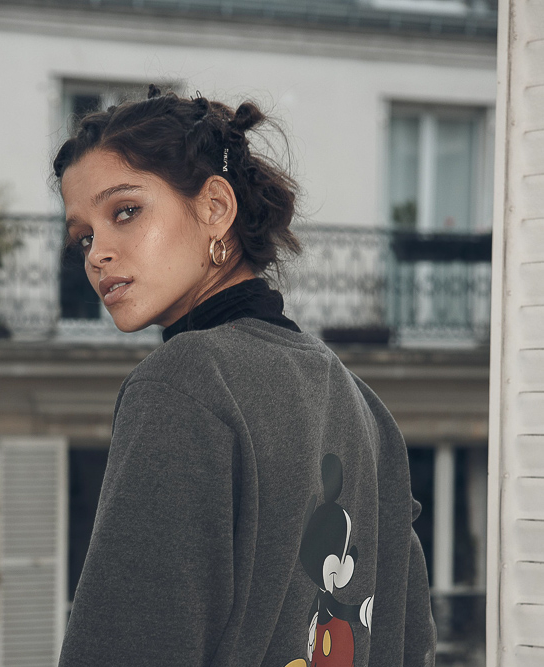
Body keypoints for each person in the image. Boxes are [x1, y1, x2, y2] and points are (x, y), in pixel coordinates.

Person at [53, 85, 436, 667]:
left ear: (215, 207)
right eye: (83, 236)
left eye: (125, 212)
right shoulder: (364, 406)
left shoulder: (183, 383)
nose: (96, 253)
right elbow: (409, 639)